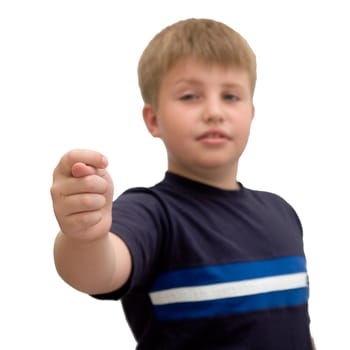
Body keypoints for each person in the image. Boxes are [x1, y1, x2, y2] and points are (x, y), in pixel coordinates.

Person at [51, 18, 316, 349]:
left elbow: (295, 328)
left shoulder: (282, 212)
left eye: (231, 96)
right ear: (153, 119)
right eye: (190, 96)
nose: (214, 111)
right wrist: (83, 236)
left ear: (251, 111)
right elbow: (97, 270)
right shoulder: (152, 215)